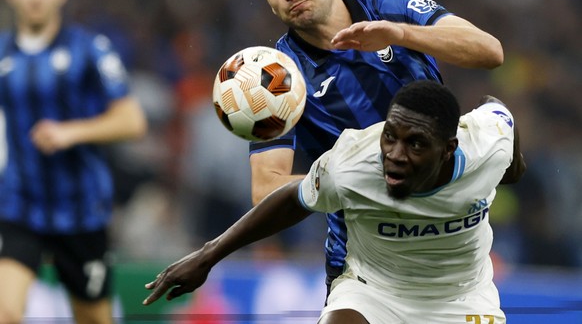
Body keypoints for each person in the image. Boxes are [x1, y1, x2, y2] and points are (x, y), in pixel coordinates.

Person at [240, 0, 504, 295]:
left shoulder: (389, 5)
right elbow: (265, 188)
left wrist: (399, 33)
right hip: (362, 265)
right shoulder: (275, 76)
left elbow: (489, 52)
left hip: (449, 247)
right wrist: (358, 182)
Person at [143, 80, 526, 323]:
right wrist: (207, 256)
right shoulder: (350, 164)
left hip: (459, 297)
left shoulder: (486, 147)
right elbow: (293, 199)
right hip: (372, 290)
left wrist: (513, 165)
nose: (394, 153)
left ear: (449, 149)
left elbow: (500, 114)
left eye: (416, 144)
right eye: (390, 136)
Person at [0, 0, 147, 324]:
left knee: (94, 319)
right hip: (19, 208)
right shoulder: (1, 53)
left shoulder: (90, 50)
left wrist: (71, 132)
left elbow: (132, 120)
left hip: (82, 213)